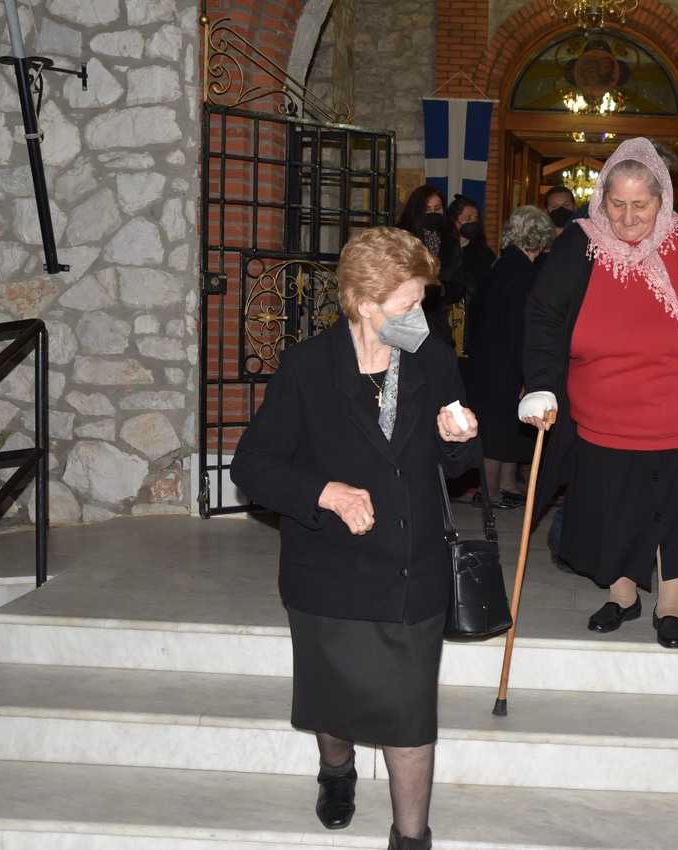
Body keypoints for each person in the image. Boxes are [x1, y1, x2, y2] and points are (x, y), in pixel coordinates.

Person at [230, 226, 482, 849]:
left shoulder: (432, 359)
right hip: (330, 573)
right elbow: (252, 466)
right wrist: (326, 493)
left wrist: (458, 439)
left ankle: (411, 838)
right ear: (366, 304)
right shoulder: (308, 368)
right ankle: (336, 769)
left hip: (411, 567)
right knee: (334, 705)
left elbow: (453, 467)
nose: (421, 313)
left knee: (410, 717)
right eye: (409, 303)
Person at [518, 137, 678, 649]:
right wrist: (540, 385)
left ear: (662, 199)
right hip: (599, 418)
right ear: (601, 199)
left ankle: (670, 606)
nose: (627, 218)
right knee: (613, 513)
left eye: (640, 206)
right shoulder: (578, 244)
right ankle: (622, 596)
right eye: (617, 204)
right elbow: (542, 319)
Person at [466, 205, 555, 507]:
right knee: (496, 429)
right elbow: (521, 329)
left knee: (504, 426)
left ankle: (505, 485)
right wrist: (527, 372)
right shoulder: (522, 273)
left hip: (491, 359)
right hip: (504, 361)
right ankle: (490, 493)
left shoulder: (506, 265)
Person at [397, 185, 465, 345]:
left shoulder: (450, 238)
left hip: (438, 316)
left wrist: (444, 289)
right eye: (427, 209)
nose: (433, 214)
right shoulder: (403, 238)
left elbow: (457, 277)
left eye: (437, 208)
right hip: (408, 315)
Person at [446, 194, 496, 355]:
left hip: (476, 322)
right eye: (468, 219)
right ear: (454, 221)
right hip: (448, 323)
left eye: (476, 219)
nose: (473, 223)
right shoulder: (444, 249)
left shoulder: (485, 253)